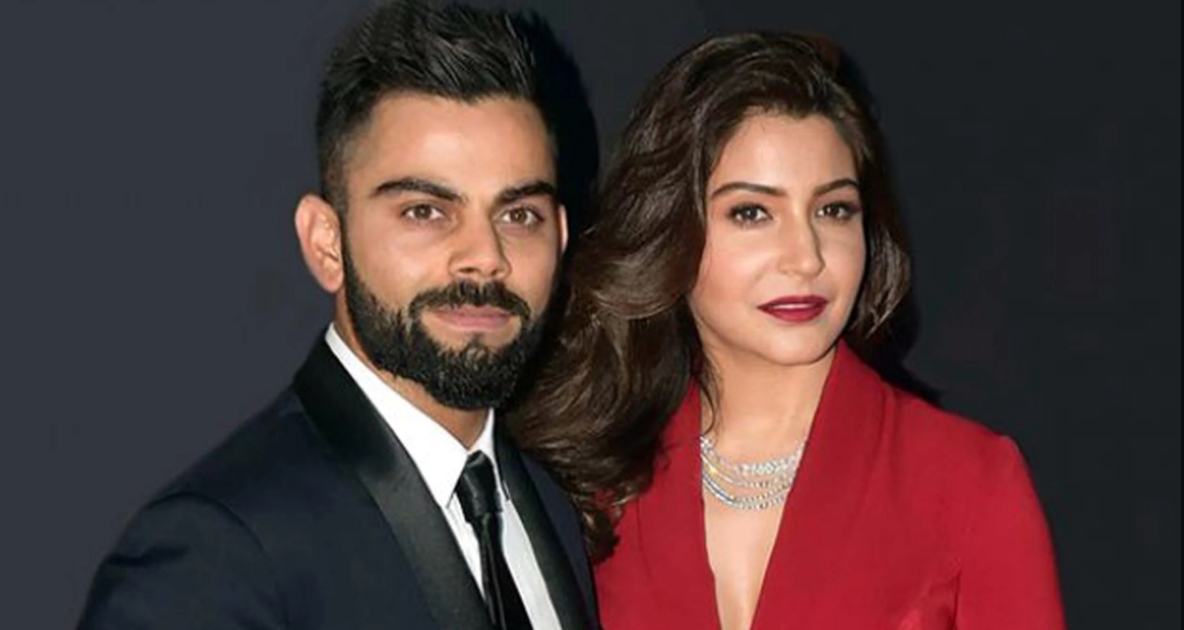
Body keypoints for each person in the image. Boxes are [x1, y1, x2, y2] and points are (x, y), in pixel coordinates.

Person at [508, 32, 1066, 629]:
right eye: (752, 213)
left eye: (833, 210)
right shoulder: (585, 482)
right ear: (669, 227)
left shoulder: (969, 480)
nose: (806, 257)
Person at [77, 3, 596, 629]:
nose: (485, 258)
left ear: (559, 236)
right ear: (327, 243)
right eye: (425, 212)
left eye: (518, 215)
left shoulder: (548, 506)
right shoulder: (213, 556)